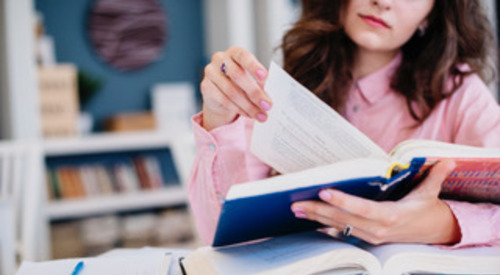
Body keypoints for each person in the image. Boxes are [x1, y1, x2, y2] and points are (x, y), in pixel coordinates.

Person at [188, 0, 500, 247]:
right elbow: (219, 232)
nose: (383, 2)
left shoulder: (460, 95)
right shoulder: (289, 84)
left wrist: (440, 224)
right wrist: (219, 118)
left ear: (432, 14)